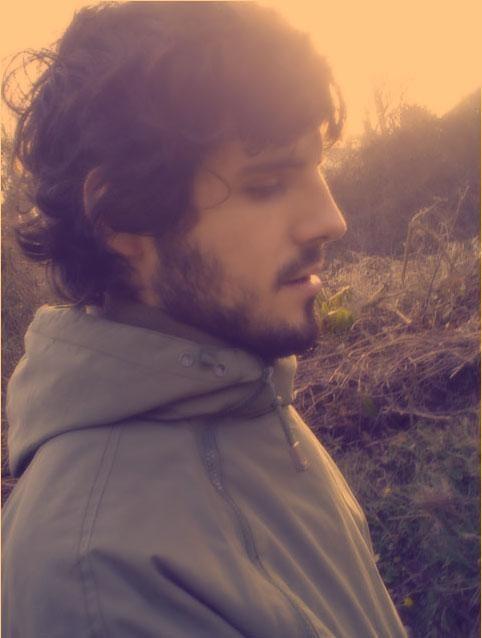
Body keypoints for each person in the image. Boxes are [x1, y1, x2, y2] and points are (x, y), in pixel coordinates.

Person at [2, 2, 408, 636]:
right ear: (121, 217)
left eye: (317, 166)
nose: (330, 220)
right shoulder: (100, 579)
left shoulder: (242, 392)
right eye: (267, 183)